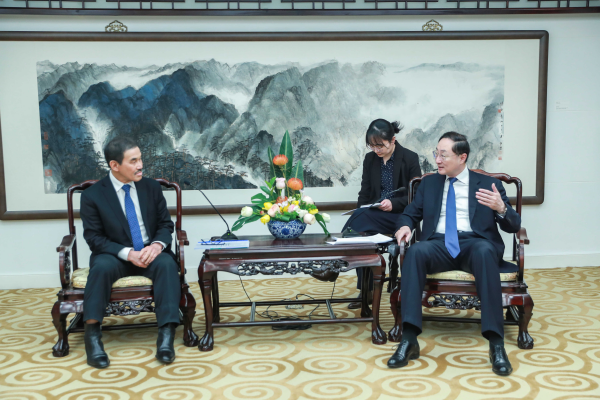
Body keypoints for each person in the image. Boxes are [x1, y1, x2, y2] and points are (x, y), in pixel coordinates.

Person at [389, 131, 520, 376]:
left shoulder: (488, 185)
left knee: (485, 251)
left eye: (443, 155)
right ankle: (409, 340)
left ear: (462, 157)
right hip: (438, 244)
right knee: (415, 252)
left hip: (474, 243)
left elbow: (513, 225)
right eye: (436, 154)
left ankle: (496, 344)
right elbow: (410, 213)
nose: (437, 160)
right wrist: (404, 226)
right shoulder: (429, 184)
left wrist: (501, 208)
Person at [80, 136, 181, 369]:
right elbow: (94, 238)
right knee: (100, 268)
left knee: (167, 264)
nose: (140, 165)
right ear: (114, 165)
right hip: (114, 254)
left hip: (149, 251)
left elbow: (165, 225)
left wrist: (156, 246)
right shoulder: (93, 195)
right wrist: (127, 253)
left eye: (140, 159)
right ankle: (92, 337)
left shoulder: (151, 187)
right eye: (133, 161)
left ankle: (166, 336)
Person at [342, 119, 422, 309]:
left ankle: (339, 258)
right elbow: (365, 193)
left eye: (380, 145)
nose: (376, 150)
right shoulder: (370, 159)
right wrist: (361, 209)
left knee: (357, 224)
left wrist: (393, 204)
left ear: (392, 140)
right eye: (372, 146)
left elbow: (417, 196)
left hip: (401, 217)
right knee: (360, 232)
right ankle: (367, 289)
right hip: (374, 217)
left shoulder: (409, 158)